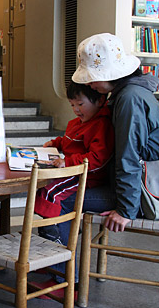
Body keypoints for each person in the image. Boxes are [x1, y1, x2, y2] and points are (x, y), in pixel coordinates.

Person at [72, 32, 159, 231]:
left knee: (59, 198)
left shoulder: (129, 99)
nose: (88, 84)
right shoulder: (136, 91)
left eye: (92, 78)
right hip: (143, 188)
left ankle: (60, 253)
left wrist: (126, 210)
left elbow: (128, 156)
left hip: (144, 196)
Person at [34, 80, 114, 218]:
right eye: (72, 105)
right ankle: (58, 225)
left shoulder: (101, 125)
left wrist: (68, 162)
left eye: (80, 104)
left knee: (50, 193)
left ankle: (54, 229)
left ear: (100, 101)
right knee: (42, 189)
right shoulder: (77, 123)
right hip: (72, 172)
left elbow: (98, 158)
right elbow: (70, 142)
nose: (75, 109)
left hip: (86, 177)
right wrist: (56, 143)